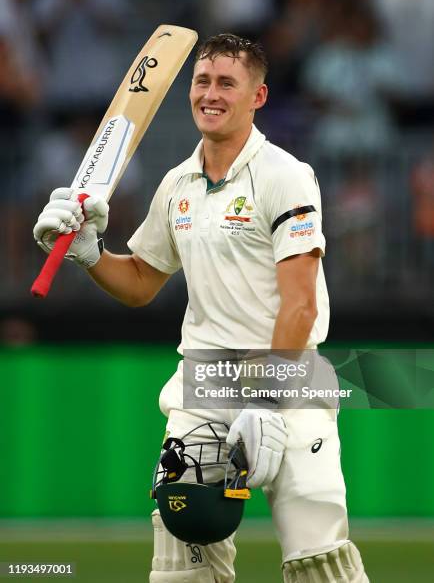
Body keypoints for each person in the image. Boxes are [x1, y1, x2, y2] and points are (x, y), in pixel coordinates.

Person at [33, 34, 369, 582]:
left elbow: (301, 305)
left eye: (226, 84)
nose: (210, 94)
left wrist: (264, 400)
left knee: (318, 562)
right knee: (180, 561)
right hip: (206, 382)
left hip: (289, 376)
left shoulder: (286, 176)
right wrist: (91, 254)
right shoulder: (177, 185)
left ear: (257, 97)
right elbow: (141, 282)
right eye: (202, 81)